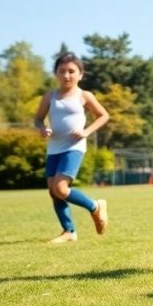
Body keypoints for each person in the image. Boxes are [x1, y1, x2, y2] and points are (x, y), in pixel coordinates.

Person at [34, 52, 110, 244]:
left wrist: (86, 132)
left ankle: (95, 206)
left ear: (80, 74)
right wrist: (42, 129)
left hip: (74, 147)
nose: (66, 75)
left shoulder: (84, 95)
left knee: (60, 188)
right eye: (62, 71)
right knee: (53, 191)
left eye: (71, 71)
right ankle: (69, 231)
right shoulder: (49, 96)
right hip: (54, 148)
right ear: (56, 74)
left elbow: (103, 115)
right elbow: (37, 118)